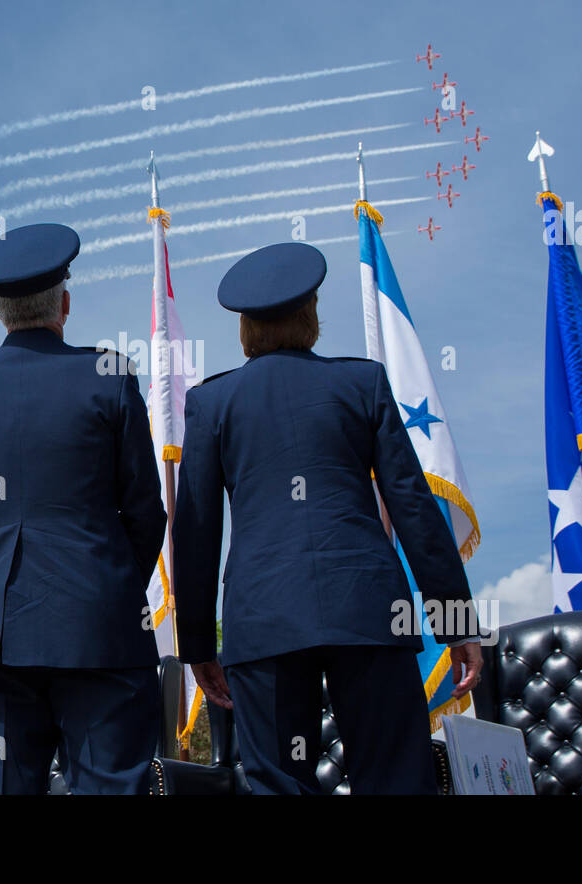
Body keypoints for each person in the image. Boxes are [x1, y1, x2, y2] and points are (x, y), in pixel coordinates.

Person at [172, 242, 482, 794]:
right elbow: (412, 506)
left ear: (244, 328)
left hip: (264, 620)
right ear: (311, 315)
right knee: (396, 781)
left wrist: (197, 647)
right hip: (370, 614)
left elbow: (196, 531)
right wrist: (455, 620)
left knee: (279, 786)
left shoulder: (212, 403)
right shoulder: (362, 384)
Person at [0, 222, 167, 794]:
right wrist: (104, 580)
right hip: (100, 629)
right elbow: (144, 512)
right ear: (65, 301)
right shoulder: (109, 377)